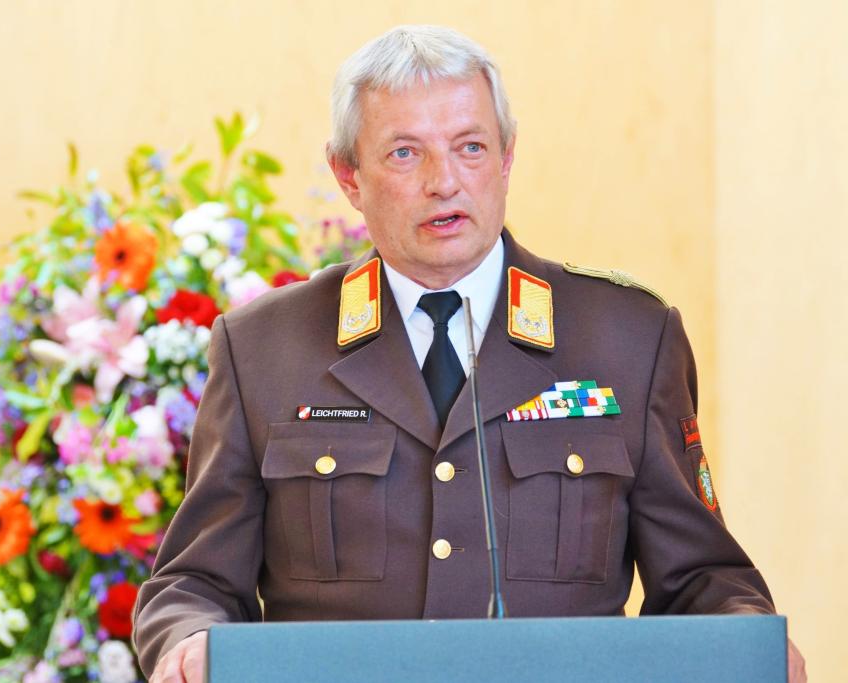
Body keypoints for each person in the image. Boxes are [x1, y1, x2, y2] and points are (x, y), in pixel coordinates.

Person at [134, 25, 806, 683]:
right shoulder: (263, 347)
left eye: (471, 147)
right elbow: (193, 583)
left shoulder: (627, 338)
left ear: (507, 158)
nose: (444, 181)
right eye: (405, 153)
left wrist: (748, 640)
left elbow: (701, 580)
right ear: (347, 175)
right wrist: (188, 641)